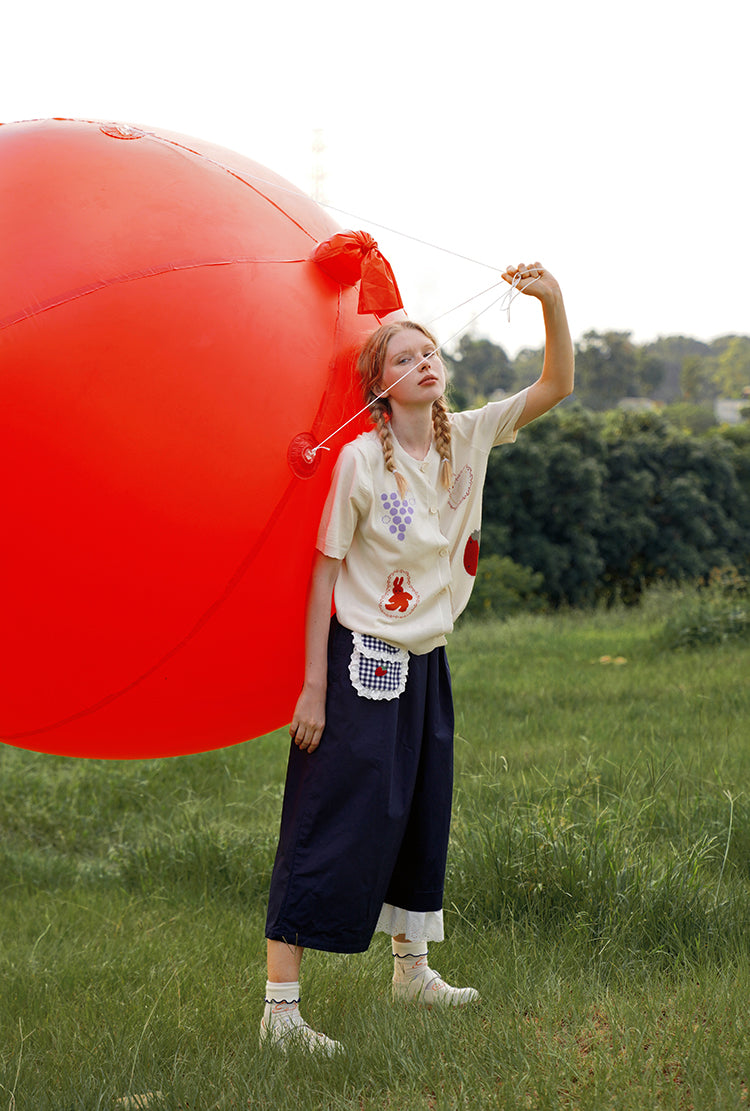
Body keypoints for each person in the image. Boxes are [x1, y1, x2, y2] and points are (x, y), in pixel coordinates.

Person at [261, 262, 574, 1053]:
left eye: (428, 350)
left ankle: (411, 970)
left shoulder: (465, 435)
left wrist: (552, 301)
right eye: (402, 357)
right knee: (326, 822)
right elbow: (325, 570)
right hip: (361, 661)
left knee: (419, 816)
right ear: (379, 386)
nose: (423, 362)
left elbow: (556, 385)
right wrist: (313, 688)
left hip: (428, 660)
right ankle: (280, 1011)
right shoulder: (359, 462)